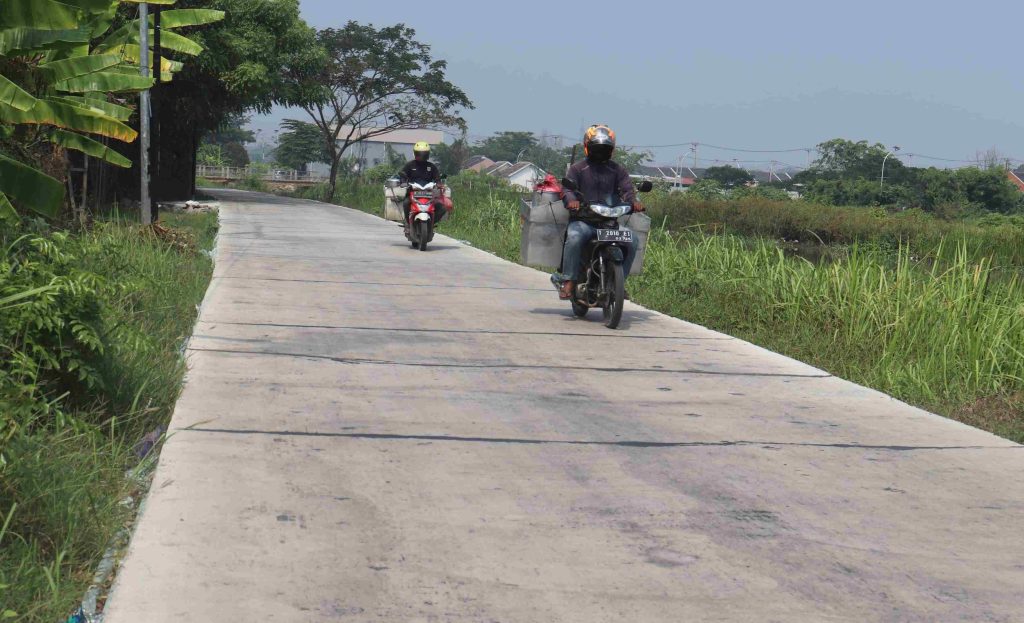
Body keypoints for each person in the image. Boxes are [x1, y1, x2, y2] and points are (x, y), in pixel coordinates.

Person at [558, 124, 644, 299]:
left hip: (610, 223)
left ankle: (619, 283)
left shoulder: (618, 170)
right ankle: (569, 281)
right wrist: (571, 201)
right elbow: (567, 189)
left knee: (633, 240)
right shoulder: (578, 169)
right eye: (597, 148)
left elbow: (627, 190)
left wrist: (633, 203)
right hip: (584, 222)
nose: (600, 152)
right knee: (574, 237)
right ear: (587, 147)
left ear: (611, 150)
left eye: (604, 149)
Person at [398, 141, 445, 231]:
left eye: (424, 154)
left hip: (428, 194)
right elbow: (402, 175)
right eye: (419, 154)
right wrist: (403, 182)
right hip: (413, 192)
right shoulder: (410, 165)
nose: (421, 156)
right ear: (415, 153)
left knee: (442, 207)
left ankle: (431, 223)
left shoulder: (431, 167)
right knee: (406, 203)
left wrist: (439, 184)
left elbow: (437, 179)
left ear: (428, 154)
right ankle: (408, 223)